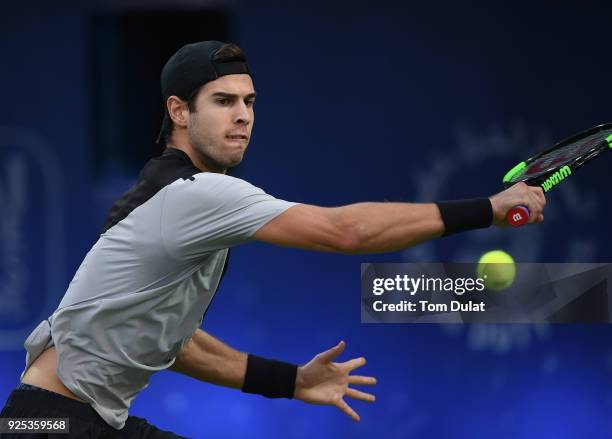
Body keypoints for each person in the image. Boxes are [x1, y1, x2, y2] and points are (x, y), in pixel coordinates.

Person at [0, 41, 546, 438]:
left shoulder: (172, 198)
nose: (243, 116)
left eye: (250, 101)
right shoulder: (193, 194)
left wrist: (291, 382)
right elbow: (345, 231)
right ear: (178, 112)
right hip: (47, 421)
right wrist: (489, 211)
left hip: (53, 419)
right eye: (223, 101)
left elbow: (177, 344)